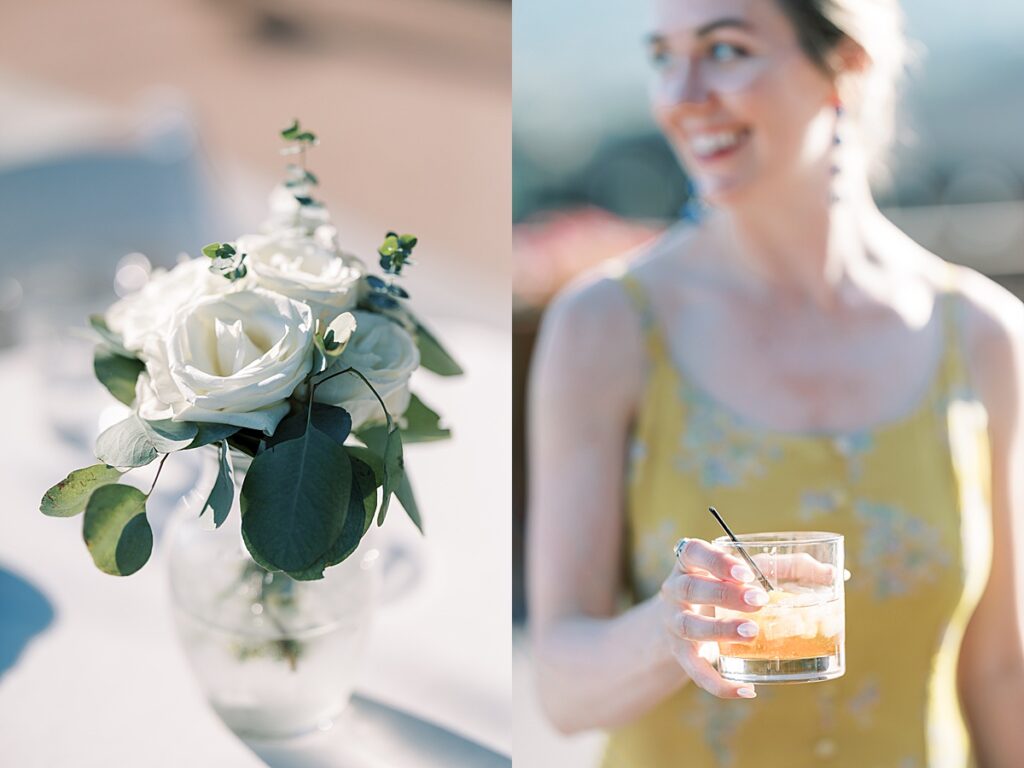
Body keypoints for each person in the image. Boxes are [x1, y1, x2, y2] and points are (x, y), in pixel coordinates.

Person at [526, 0, 1024, 765]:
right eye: (664, 56)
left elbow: (996, 671)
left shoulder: (984, 334)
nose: (681, 95)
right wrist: (667, 631)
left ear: (845, 68)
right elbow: (560, 692)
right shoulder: (607, 325)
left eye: (725, 50)